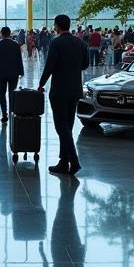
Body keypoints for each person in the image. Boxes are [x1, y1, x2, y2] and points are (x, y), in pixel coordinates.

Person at [38, 14, 89, 177]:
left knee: (61, 127)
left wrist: (41, 84)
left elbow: (50, 66)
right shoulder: (80, 42)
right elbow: (85, 64)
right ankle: (63, 161)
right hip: (74, 90)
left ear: (58, 26)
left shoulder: (56, 43)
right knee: (68, 125)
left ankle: (73, 161)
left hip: (59, 90)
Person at [0, 26, 24, 123]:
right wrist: (21, 71)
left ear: (1, 34)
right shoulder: (15, 45)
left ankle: (4, 114)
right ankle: (11, 111)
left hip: (1, 73)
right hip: (13, 72)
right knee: (12, 92)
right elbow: (19, 59)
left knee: (1, 93)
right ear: (10, 33)